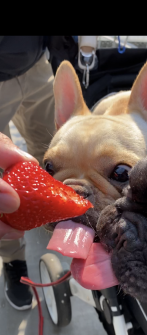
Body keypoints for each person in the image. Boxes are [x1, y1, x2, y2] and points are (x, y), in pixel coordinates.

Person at [0, 36, 56, 310]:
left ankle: (48, 210)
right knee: (3, 188)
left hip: (36, 64)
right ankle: (13, 259)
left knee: (51, 149)